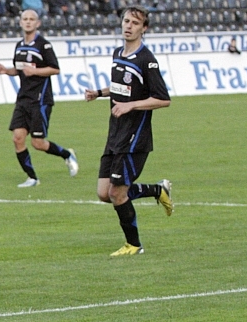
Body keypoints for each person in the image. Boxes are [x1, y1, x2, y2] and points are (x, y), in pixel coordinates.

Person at [84, 5, 172, 257]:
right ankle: (157, 190)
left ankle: (134, 245)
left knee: (117, 193)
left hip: (135, 137)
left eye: (135, 23)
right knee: (104, 193)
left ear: (144, 29)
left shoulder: (147, 60)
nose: (128, 26)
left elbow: (163, 99)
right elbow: (121, 87)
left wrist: (131, 105)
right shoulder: (118, 53)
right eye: (126, 21)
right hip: (115, 133)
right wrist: (99, 93)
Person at [0, 9, 78, 188]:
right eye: (25, 19)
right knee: (18, 138)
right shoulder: (19, 45)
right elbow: (19, 69)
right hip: (23, 99)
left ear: (37, 23)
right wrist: (6, 71)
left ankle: (67, 154)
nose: (28, 22)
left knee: (38, 143)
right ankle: (32, 178)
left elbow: (55, 69)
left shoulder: (44, 45)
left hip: (40, 100)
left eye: (31, 19)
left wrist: (35, 71)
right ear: (20, 22)